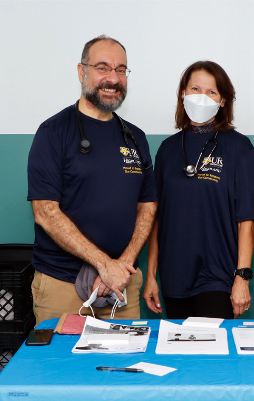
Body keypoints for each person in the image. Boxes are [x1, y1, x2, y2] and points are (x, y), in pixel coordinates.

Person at [27, 35, 157, 324]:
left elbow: (147, 205)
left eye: (121, 70)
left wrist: (120, 266)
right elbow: (45, 212)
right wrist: (103, 264)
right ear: (81, 71)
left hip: (122, 286)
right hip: (64, 286)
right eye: (103, 67)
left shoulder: (136, 137)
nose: (113, 78)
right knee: (63, 370)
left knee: (126, 367)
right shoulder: (53, 132)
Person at [142, 61, 254, 319]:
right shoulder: (168, 149)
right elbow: (156, 219)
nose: (202, 97)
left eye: (211, 92)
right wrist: (151, 275)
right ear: (183, 94)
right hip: (174, 276)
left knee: (213, 356)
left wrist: (242, 278)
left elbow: (246, 221)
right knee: (180, 356)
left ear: (223, 101)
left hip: (218, 277)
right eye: (195, 89)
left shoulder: (239, 147)